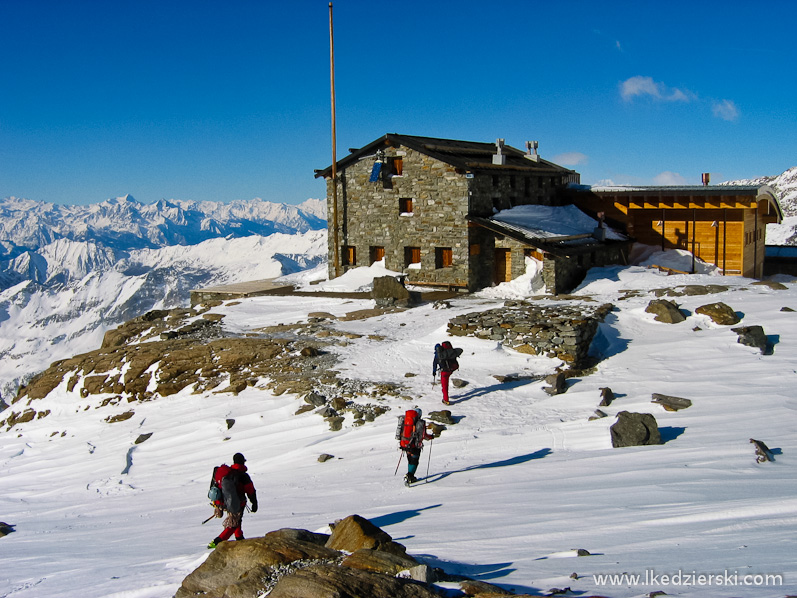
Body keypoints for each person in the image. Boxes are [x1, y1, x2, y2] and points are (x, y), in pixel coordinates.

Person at [208, 452, 258, 548]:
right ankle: (217, 542)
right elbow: (250, 490)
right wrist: (254, 503)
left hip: (223, 502)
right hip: (237, 503)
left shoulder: (227, 473)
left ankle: (239, 537)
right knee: (233, 524)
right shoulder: (243, 476)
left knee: (237, 520)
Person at [400, 407, 433, 485]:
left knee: (410, 460)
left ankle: (410, 475)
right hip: (414, 445)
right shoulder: (420, 423)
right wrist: (431, 437)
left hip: (405, 443)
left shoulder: (406, 420)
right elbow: (423, 435)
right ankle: (410, 476)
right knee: (414, 461)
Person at [432, 341, 463, 405]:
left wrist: (434, 372)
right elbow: (460, 350)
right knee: (446, 381)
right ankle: (446, 397)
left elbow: (434, 363)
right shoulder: (449, 352)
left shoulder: (438, 355)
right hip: (452, 369)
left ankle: (446, 400)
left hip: (444, 371)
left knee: (445, 386)